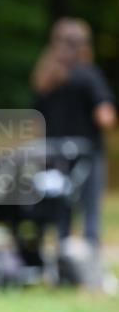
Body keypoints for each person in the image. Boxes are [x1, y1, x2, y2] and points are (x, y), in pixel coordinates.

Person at [31, 18, 116, 284]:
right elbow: (104, 116)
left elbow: (37, 120)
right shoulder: (88, 75)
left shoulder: (46, 77)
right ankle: (91, 275)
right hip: (86, 156)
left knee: (61, 214)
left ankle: (60, 272)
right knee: (90, 214)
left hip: (55, 156)